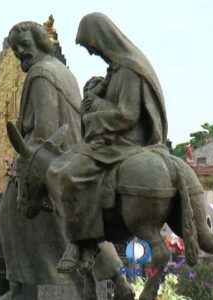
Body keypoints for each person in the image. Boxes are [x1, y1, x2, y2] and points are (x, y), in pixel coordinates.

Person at [0, 20, 132, 300]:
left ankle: (20, 290)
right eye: (16, 48)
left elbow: (45, 131)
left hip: (52, 161)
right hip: (71, 159)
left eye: (26, 45)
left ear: (40, 43)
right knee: (81, 225)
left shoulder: (41, 73)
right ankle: (116, 280)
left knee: (12, 211)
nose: (21, 52)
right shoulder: (62, 71)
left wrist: (22, 164)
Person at [47, 12, 168, 272]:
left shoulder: (129, 70)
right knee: (63, 166)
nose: (92, 53)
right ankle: (87, 243)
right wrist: (96, 94)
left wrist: (93, 108)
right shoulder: (116, 70)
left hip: (124, 143)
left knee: (68, 173)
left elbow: (128, 115)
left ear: (101, 39)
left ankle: (81, 242)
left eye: (92, 47)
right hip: (112, 138)